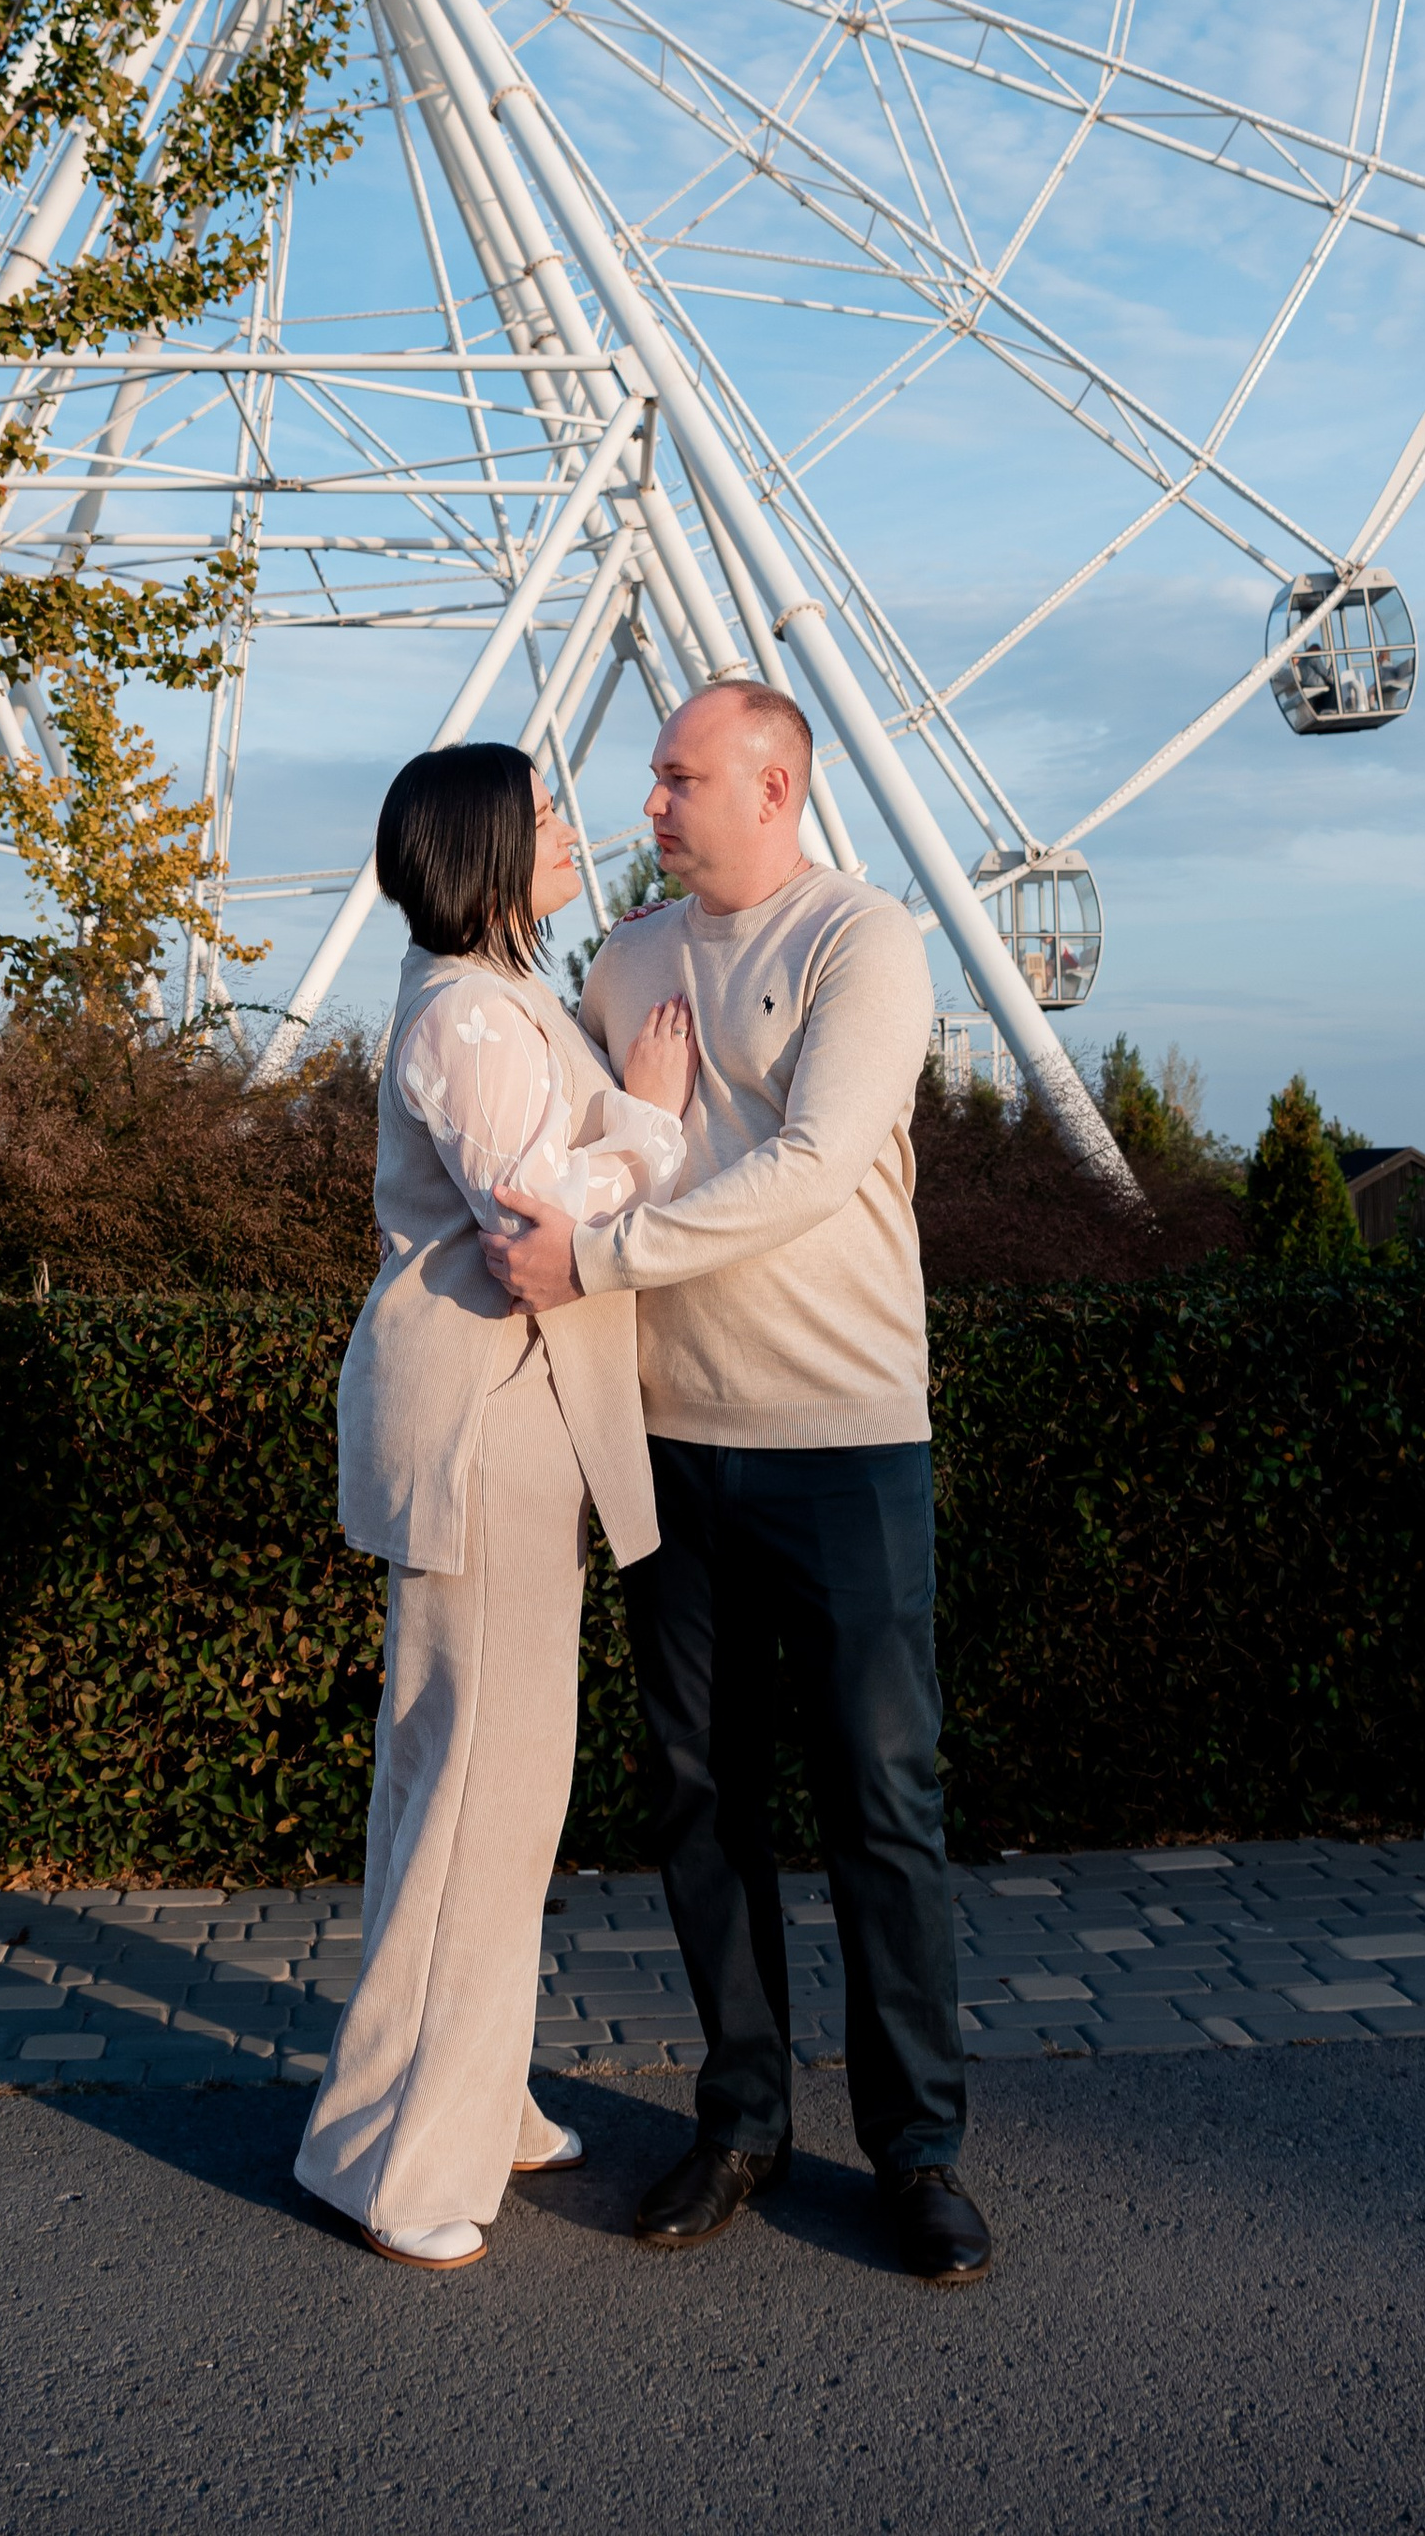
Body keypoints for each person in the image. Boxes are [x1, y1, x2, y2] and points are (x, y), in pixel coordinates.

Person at [483, 680, 991, 2288]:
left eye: (681, 776)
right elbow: (576, 1145)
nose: (652, 802)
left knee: (880, 1808)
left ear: (776, 787)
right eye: (652, 779)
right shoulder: (625, 956)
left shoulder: (867, 943)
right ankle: (744, 2115)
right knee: (701, 1800)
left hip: (843, 1441)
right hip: (668, 1442)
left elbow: (815, 1162)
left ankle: (917, 2154)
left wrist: (602, 1254)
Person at [295, 741, 696, 2269]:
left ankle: (469, 2092)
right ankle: (397, 2162)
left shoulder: (498, 996)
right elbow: (534, 1204)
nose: (572, 829)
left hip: (514, 1414)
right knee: (480, 1794)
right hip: (486, 1422)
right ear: (476, 847)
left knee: (483, 1786)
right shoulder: (465, 1014)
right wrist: (649, 1118)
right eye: (541, 814)